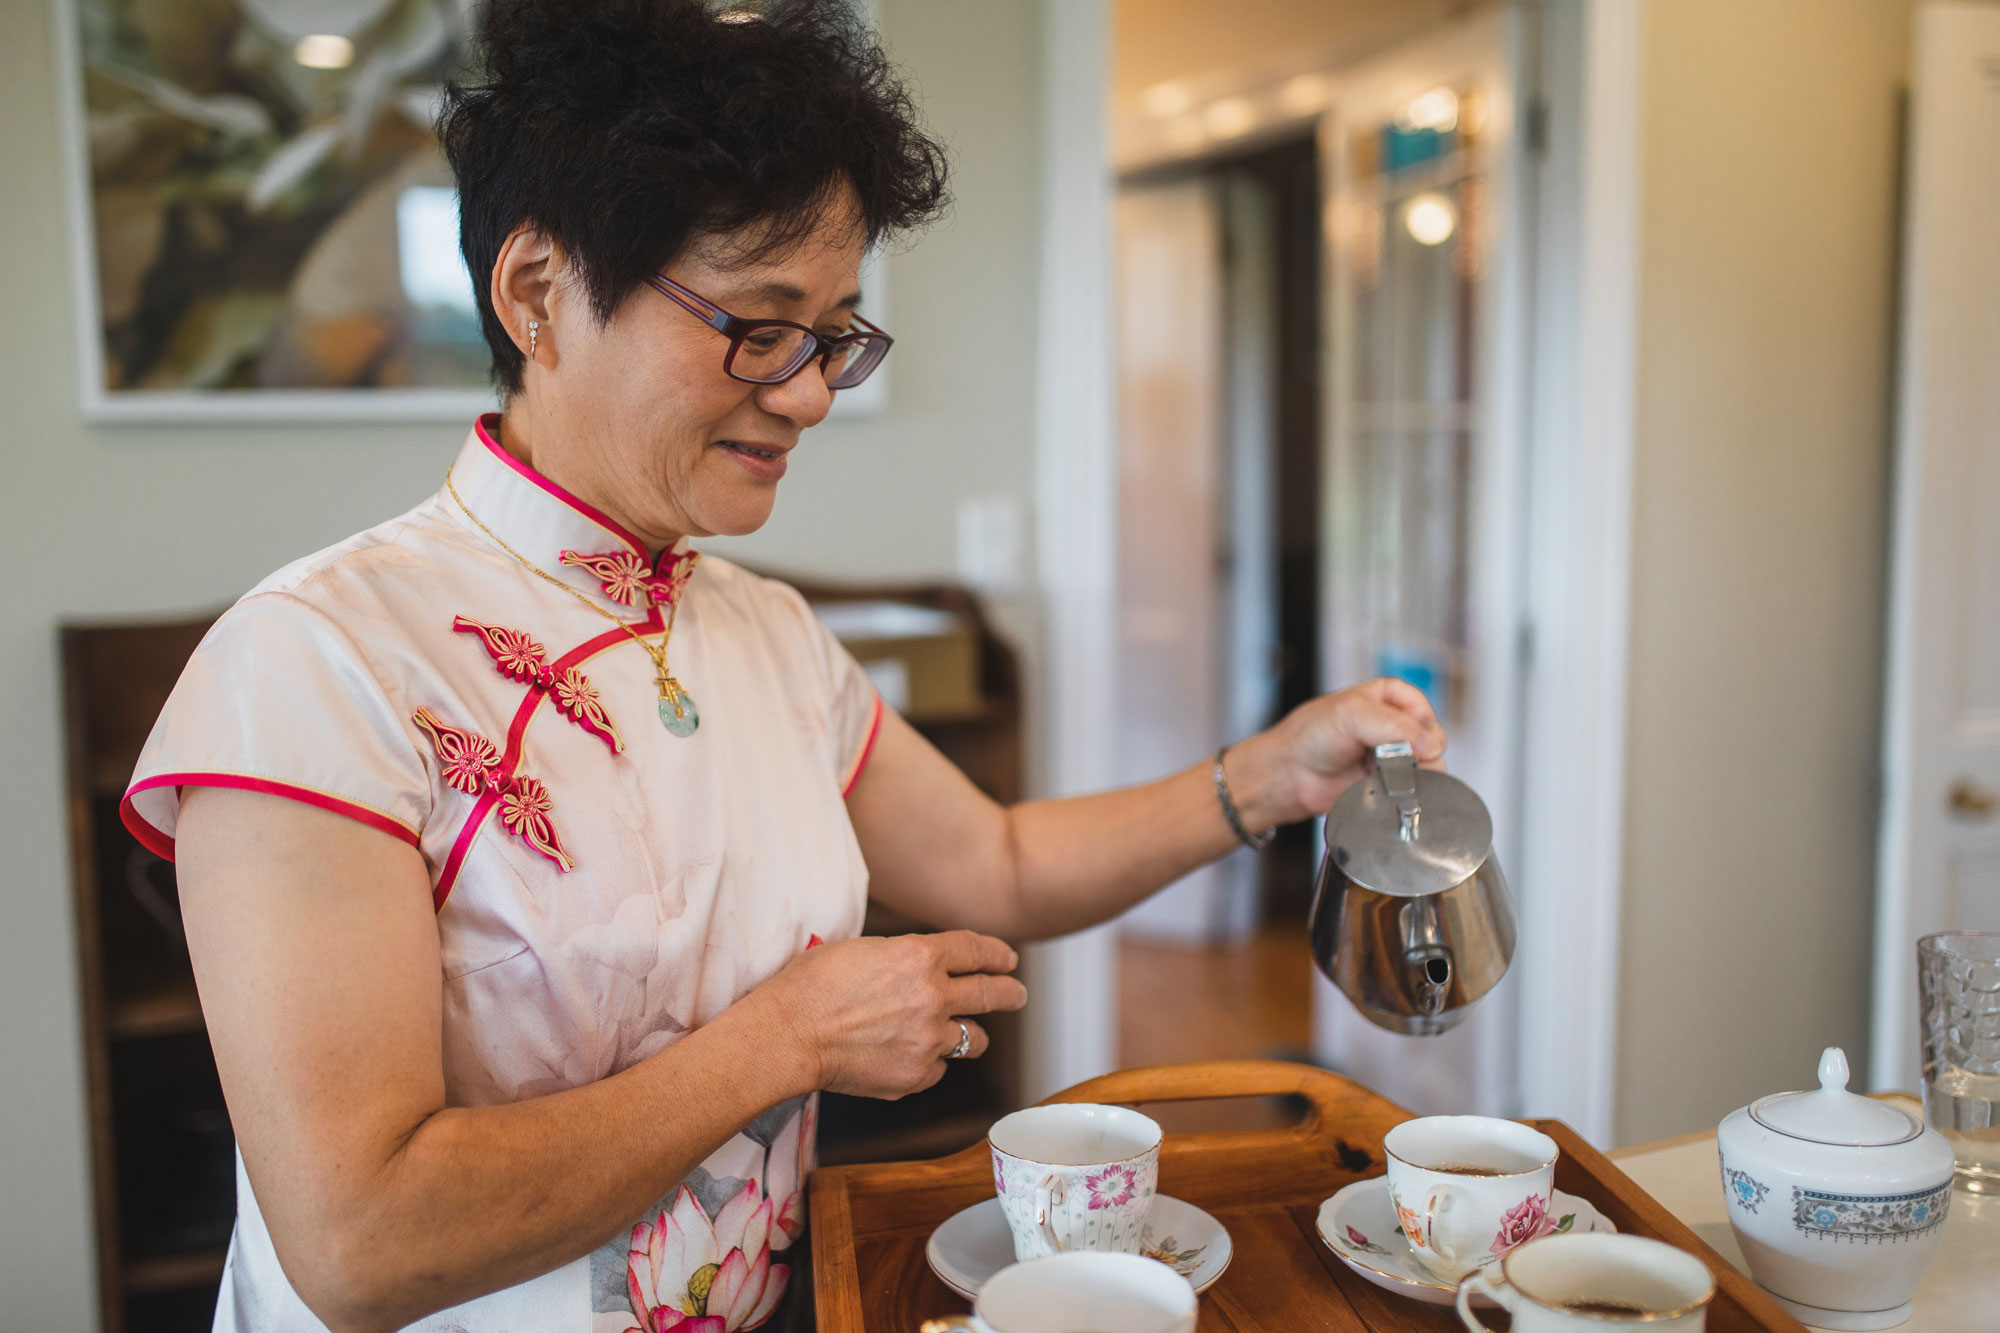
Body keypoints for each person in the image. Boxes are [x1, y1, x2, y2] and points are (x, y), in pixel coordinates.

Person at [121, 3, 1446, 1330]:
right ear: (536, 292)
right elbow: (358, 1240)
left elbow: (1000, 862)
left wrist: (1270, 776)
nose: (810, 391)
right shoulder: (314, 663)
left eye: (832, 334)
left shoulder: (765, 632)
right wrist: (786, 1039)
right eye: (758, 325)